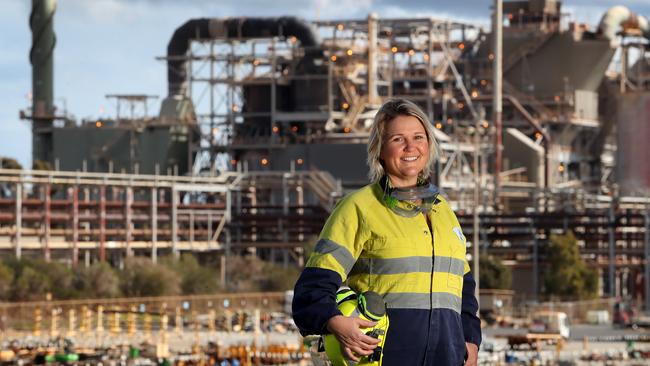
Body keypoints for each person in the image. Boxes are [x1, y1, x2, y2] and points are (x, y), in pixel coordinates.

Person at [292, 98, 481, 365]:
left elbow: (464, 290)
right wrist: (335, 323)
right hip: (385, 358)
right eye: (397, 140)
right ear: (379, 149)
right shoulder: (359, 207)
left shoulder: (443, 212)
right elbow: (312, 288)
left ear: (429, 144)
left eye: (418, 137)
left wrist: (471, 341)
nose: (410, 147)